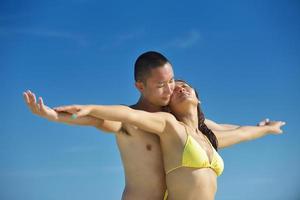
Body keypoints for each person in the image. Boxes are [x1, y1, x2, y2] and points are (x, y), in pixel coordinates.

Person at [23, 51, 271, 199]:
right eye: (161, 85)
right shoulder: (130, 120)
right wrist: (51, 115)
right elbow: (96, 119)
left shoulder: (181, 125)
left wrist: (264, 128)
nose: (171, 88)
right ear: (140, 86)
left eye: (172, 80)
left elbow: (231, 130)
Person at [51, 80, 285, 200]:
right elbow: (128, 115)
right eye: (175, 90)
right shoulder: (170, 125)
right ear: (168, 105)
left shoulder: (208, 138)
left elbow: (241, 132)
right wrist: (91, 108)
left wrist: (265, 129)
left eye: (186, 86)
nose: (181, 88)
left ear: (198, 99)